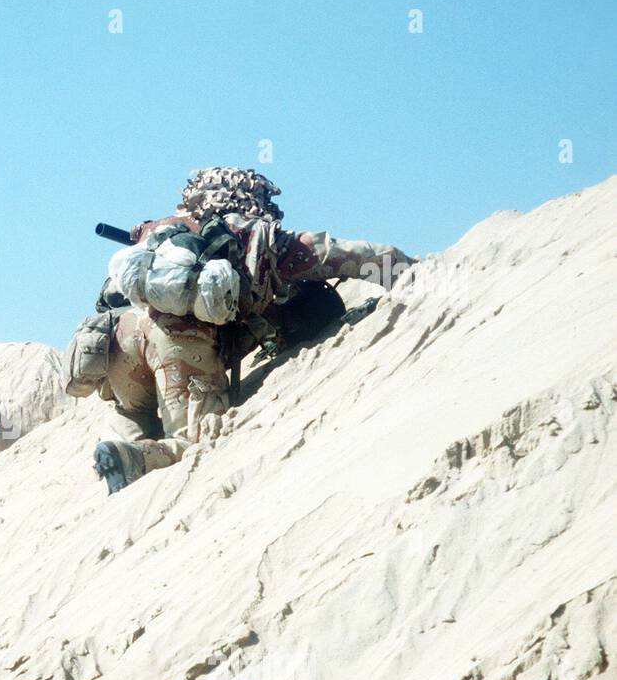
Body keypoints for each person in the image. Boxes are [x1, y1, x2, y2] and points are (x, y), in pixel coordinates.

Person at [89, 167, 416, 493]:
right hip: (178, 344)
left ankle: (119, 453)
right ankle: (139, 458)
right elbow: (349, 255)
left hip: (119, 341)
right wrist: (412, 271)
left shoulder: (162, 234)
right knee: (192, 440)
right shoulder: (259, 237)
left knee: (130, 407)